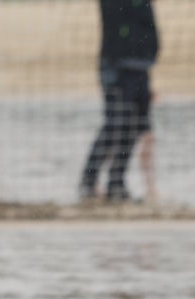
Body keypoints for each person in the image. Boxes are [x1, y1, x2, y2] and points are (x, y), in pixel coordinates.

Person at [78, 0, 158, 204]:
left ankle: (116, 184)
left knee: (135, 126)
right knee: (115, 124)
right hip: (116, 67)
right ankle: (88, 182)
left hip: (141, 66)